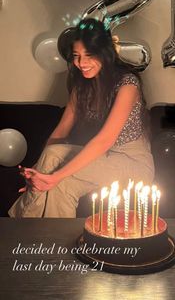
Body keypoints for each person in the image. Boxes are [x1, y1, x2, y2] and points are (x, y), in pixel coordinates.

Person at [9, 18, 155, 218]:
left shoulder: (127, 84)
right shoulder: (81, 87)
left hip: (132, 163)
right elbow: (60, 132)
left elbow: (104, 141)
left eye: (89, 55)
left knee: (54, 162)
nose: (81, 63)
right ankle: (56, 245)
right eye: (77, 56)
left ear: (105, 53)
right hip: (101, 159)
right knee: (61, 185)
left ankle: (18, 227)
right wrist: (40, 173)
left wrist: (51, 176)